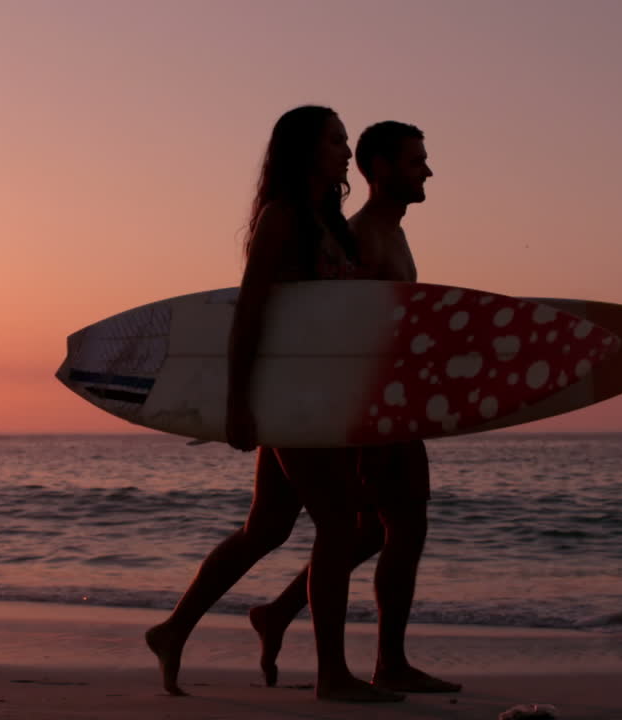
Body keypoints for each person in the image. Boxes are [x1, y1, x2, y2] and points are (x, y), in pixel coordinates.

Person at [144, 106, 403, 702]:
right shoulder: (282, 218)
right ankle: (333, 675)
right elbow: (249, 316)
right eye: (336, 139)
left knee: (267, 527)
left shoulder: (329, 222)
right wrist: (238, 405)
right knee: (342, 524)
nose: (345, 150)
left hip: (320, 396)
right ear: (305, 149)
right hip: (290, 400)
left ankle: (173, 629)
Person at [249, 121, 461, 694]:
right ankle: (373, 662)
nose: (428, 171)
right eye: (417, 160)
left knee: (383, 529)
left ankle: (290, 619)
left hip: (391, 406)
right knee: (377, 527)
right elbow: (344, 336)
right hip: (370, 408)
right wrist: (362, 429)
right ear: (382, 169)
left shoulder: (391, 232)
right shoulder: (364, 236)